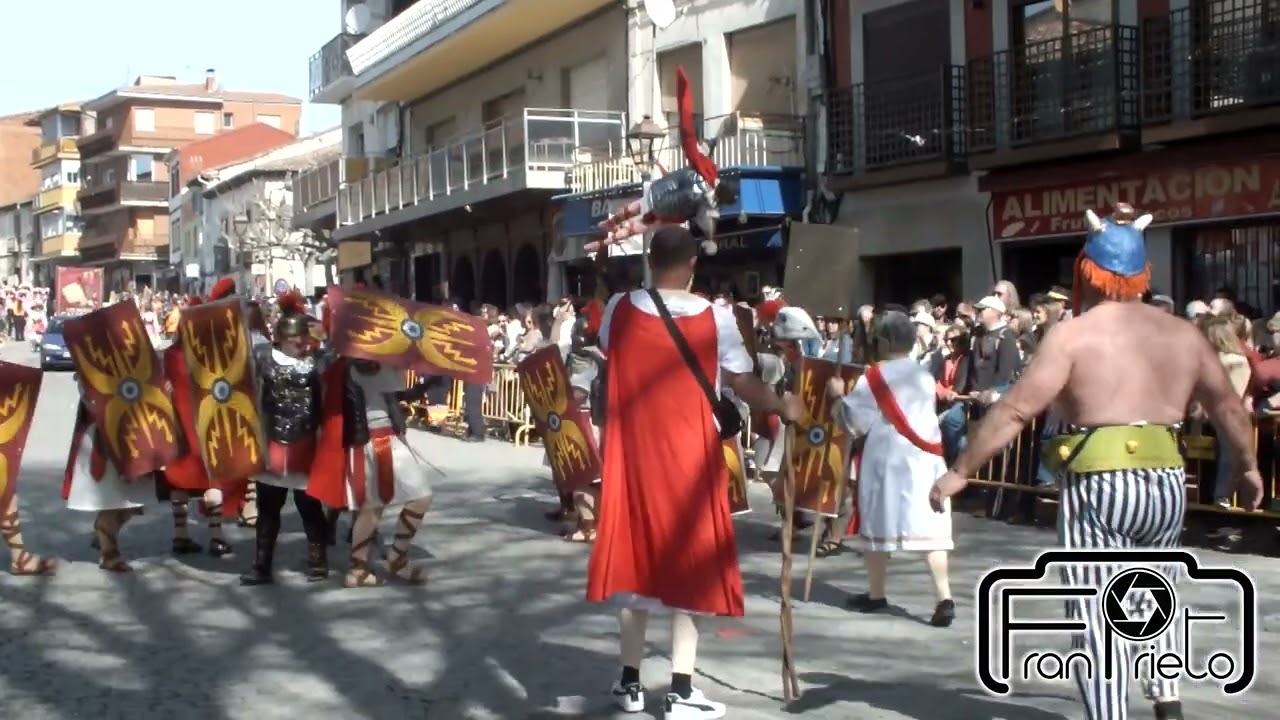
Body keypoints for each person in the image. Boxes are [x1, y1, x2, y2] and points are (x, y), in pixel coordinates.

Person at [930, 203, 1262, 720]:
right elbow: (1226, 406)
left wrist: (961, 469)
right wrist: (1247, 464)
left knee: (1094, 609)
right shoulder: (1182, 334)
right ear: (1143, 274)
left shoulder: (1074, 334)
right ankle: (1167, 697)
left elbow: (1017, 409)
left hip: (1099, 483)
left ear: (1087, 270)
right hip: (1165, 480)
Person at [586, 225, 802, 719]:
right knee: (692, 561)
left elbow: (607, 347)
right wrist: (782, 405)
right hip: (689, 454)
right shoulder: (716, 317)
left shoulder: (620, 307)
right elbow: (743, 382)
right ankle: (681, 689)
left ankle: (630, 683)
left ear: (649, 260)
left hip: (634, 455)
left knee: (636, 562)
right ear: (692, 265)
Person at [827, 311, 954, 626]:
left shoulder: (874, 378)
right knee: (931, 527)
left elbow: (855, 422)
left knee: (878, 519)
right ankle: (944, 596)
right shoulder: (923, 374)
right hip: (926, 457)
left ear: (883, 341)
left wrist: (838, 396)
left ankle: (876, 593)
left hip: (888, 459)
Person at [240, 291, 338, 586]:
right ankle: (262, 564)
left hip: (307, 441)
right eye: (296, 338)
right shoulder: (261, 357)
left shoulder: (319, 361)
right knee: (268, 508)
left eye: (304, 338)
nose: (302, 343)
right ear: (281, 337)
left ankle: (318, 562)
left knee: (309, 506)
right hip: (272, 441)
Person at [339, 358, 436, 587]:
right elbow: (393, 383)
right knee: (374, 506)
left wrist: (429, 382)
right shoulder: (356, 366)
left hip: (387, 437)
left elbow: (397, 394)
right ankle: (365, 566)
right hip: (370, 441)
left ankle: (387, 560)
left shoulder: (376, 363)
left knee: (415, 498)